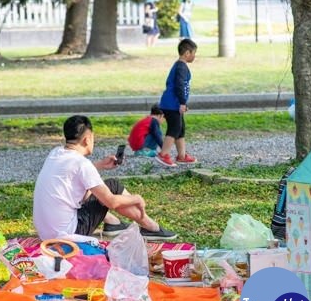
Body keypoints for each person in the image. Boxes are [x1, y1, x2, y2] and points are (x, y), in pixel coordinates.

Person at [33, 115, 177, 241]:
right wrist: (137, 198)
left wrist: (100, 165)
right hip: (69, 234)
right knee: (112, 186)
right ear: (87, 139)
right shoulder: (82, 164)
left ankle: (113, 223)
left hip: (46, 233)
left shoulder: (56, 153)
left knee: (88, 191)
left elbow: (72, 174)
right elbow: (111, 202)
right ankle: (150, 227)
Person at [156, 39, 198, 167]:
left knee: (180, 129)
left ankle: (182, 155)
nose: (194, 56)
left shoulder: (180, 66)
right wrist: (182, 102)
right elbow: (179, 86)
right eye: (193, 53)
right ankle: (163, 155)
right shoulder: (181, 67)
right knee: (174, 129)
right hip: (172, 104)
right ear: (186, 53)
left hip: (174, 104)